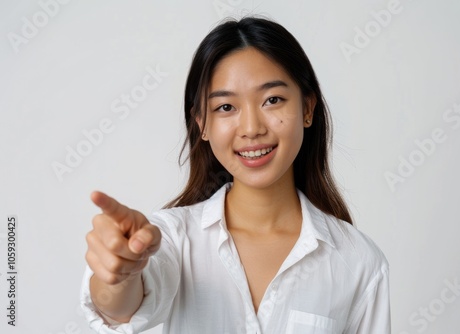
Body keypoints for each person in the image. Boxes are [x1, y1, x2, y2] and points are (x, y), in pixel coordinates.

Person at [81, 16, 391, 334]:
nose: (252, 128)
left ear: (307, 109)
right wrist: (119, 274)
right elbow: (121, 307)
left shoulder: (359, 262)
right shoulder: (173, 239)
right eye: (226, 107)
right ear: (202, 123)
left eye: (273, 100)